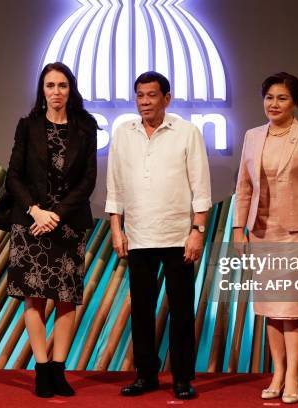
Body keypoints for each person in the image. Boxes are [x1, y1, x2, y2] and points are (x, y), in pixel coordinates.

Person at [105, 71, 212, 400]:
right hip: (138, 235)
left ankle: (182, 378)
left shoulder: (187, 132)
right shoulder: (123, 133)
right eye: (139, 95)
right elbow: (115, 185)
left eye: (151, 95)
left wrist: (197, 231)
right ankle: (146, 376)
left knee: (181, 311)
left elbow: (201, 187)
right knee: (141, 310)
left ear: (167, 98)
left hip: (179, 235)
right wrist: (115, 228)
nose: (145, 101)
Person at [232, 72, 298, 404]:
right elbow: (243, 188)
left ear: (295, 102)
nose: (274, 104)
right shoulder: (252, 136)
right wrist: (237, 228)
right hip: (262, 232)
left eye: (282, 98)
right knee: (271, 308)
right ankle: (277, 372)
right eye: (269, 97)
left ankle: (294, 376)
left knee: (294, 308)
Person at [3, 62, 98, 398]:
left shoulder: (85, 127)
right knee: (34, 298)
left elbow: (88, 180)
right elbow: (13, 176)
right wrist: (36, 211)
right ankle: (42, 369)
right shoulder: (27, 127)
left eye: (62, 86)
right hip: (30, 224)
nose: (56, 92)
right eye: (50, 86)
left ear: (70, 90)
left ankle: (59, 369)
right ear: (41, 91)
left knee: (66, 299)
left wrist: (56, 214)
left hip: (68, 224)